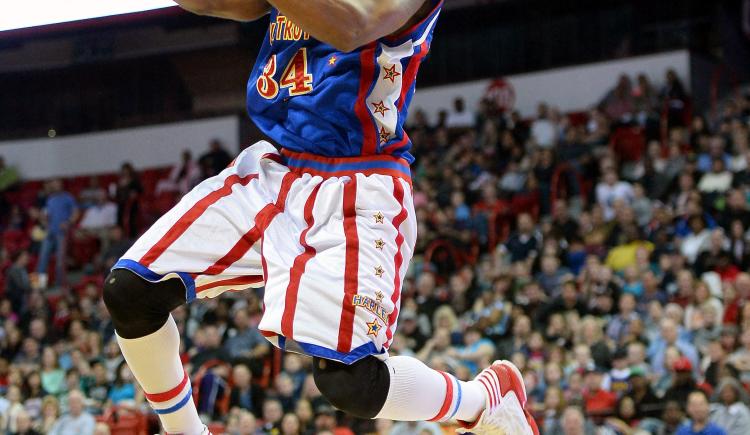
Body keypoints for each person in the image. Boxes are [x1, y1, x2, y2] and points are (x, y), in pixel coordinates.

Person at [101, 2, 537, 435]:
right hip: (277, 166)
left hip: (357, 180)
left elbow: (352, 24)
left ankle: (484, 401)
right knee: (132, 291)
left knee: (352, 383)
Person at [36, 179, 79, 288]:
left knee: (60, 260)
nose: (56, 186)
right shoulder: (50, 199)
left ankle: (60, 285)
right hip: (50, 233)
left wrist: (68, 222)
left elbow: (76, 213)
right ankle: (38, 286)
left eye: (58, 184)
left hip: (62, 233)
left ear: (61, 185)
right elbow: (46, 215)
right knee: (42, 258)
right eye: (54, 185)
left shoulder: (68, 197)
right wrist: (44, 220)